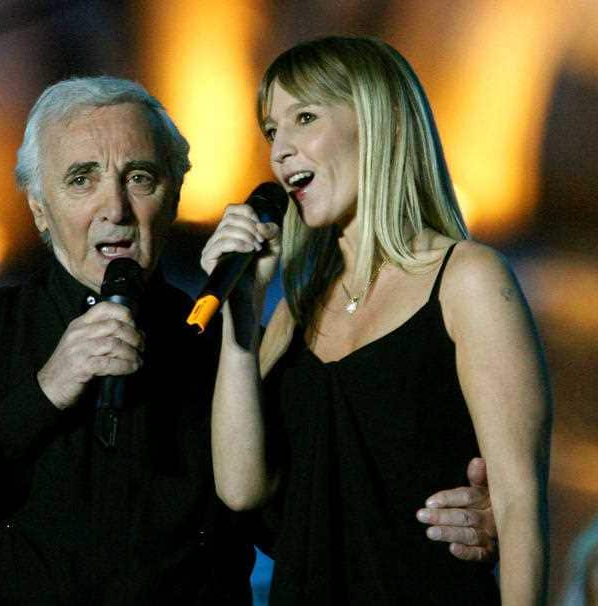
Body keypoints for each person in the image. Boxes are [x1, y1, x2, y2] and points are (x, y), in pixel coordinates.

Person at [0, 75, 499, 605]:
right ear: (39, 208)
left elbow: (306, 519)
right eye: (81, 179)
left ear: (172, 196)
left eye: (139, 177)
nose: (115, 209)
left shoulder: (224, 345)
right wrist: (45, 392)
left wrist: (462, 518)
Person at [203, 36, 551, 604]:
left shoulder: (467, 280)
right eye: (271, 131)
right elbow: (240, 489)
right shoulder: (293, 312)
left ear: (378, 121)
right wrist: (241, 316)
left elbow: (518, 505)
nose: (280, 151)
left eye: (304, 118)